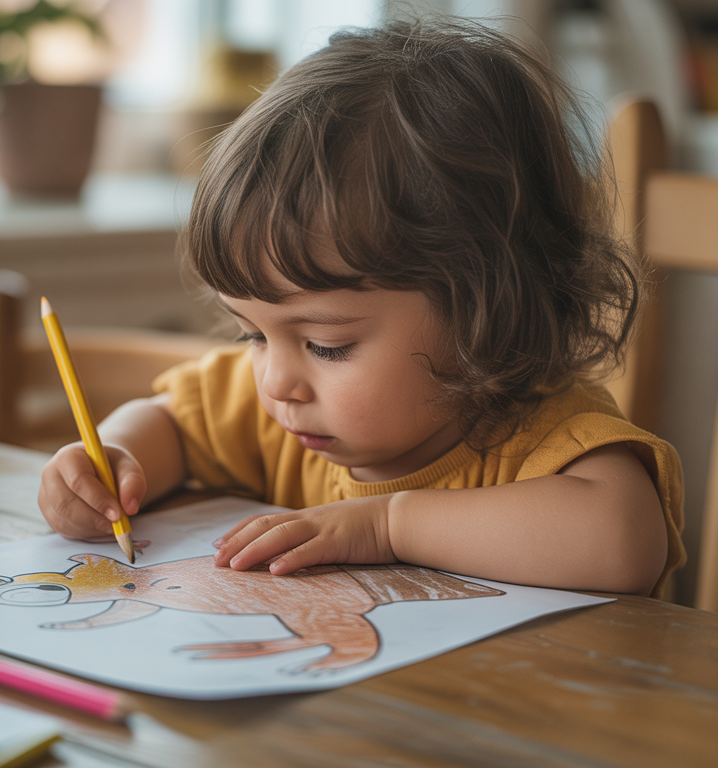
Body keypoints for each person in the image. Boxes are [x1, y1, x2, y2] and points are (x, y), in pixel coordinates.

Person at [37, 19, 684, 596]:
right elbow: (172, 423)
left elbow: (624, 543)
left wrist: (386, 524)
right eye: (252, 336)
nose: (276, 381)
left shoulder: (540, 435)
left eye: (326, 345)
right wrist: (111, 465)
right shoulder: (282, 411)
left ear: (487, 310)